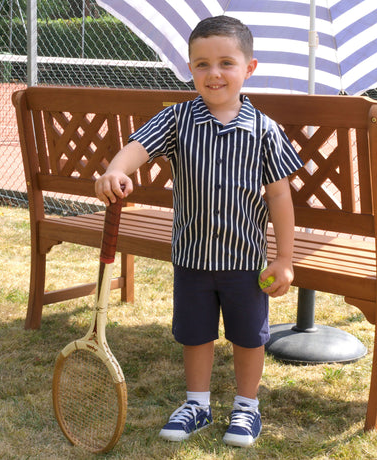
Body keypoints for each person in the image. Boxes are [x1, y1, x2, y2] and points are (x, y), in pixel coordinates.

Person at [95, 15, 304, 448]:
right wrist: (116, 170)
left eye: (226, 63)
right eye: (202, 64)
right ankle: (198, 404)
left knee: (249, 337)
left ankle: (247, 406)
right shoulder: (176, 119)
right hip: (191, 258)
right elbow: (137, 148)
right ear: (190, 68)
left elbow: (280, 197)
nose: (214, 73)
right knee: (195, 334)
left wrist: (284, 259)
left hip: (245, 262)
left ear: (249, 68)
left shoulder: (265, 131)